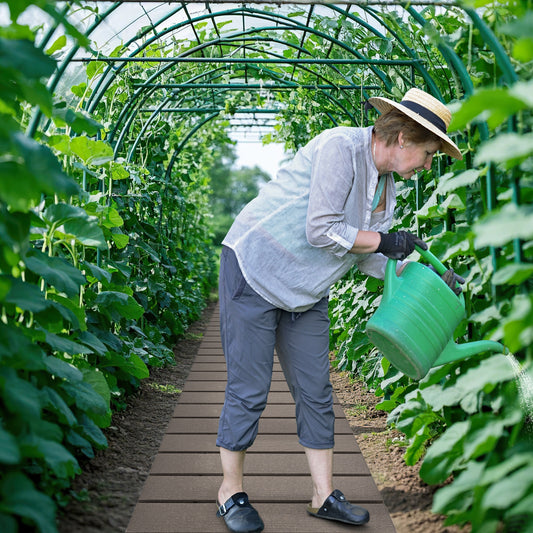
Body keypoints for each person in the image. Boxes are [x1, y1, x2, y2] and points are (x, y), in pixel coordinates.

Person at [215, 88, 463, 533]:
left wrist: (420, 272)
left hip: (306, 289)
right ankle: (230, 493)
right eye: (428, 154)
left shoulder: (386, 187)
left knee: (316, 390)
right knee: (249, 388)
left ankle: (323, 496)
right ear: (404, 138)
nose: (428, 165)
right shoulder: (340, 148)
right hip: (256, 267)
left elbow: (369, 255)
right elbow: (321, 229)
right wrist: (388, 242)